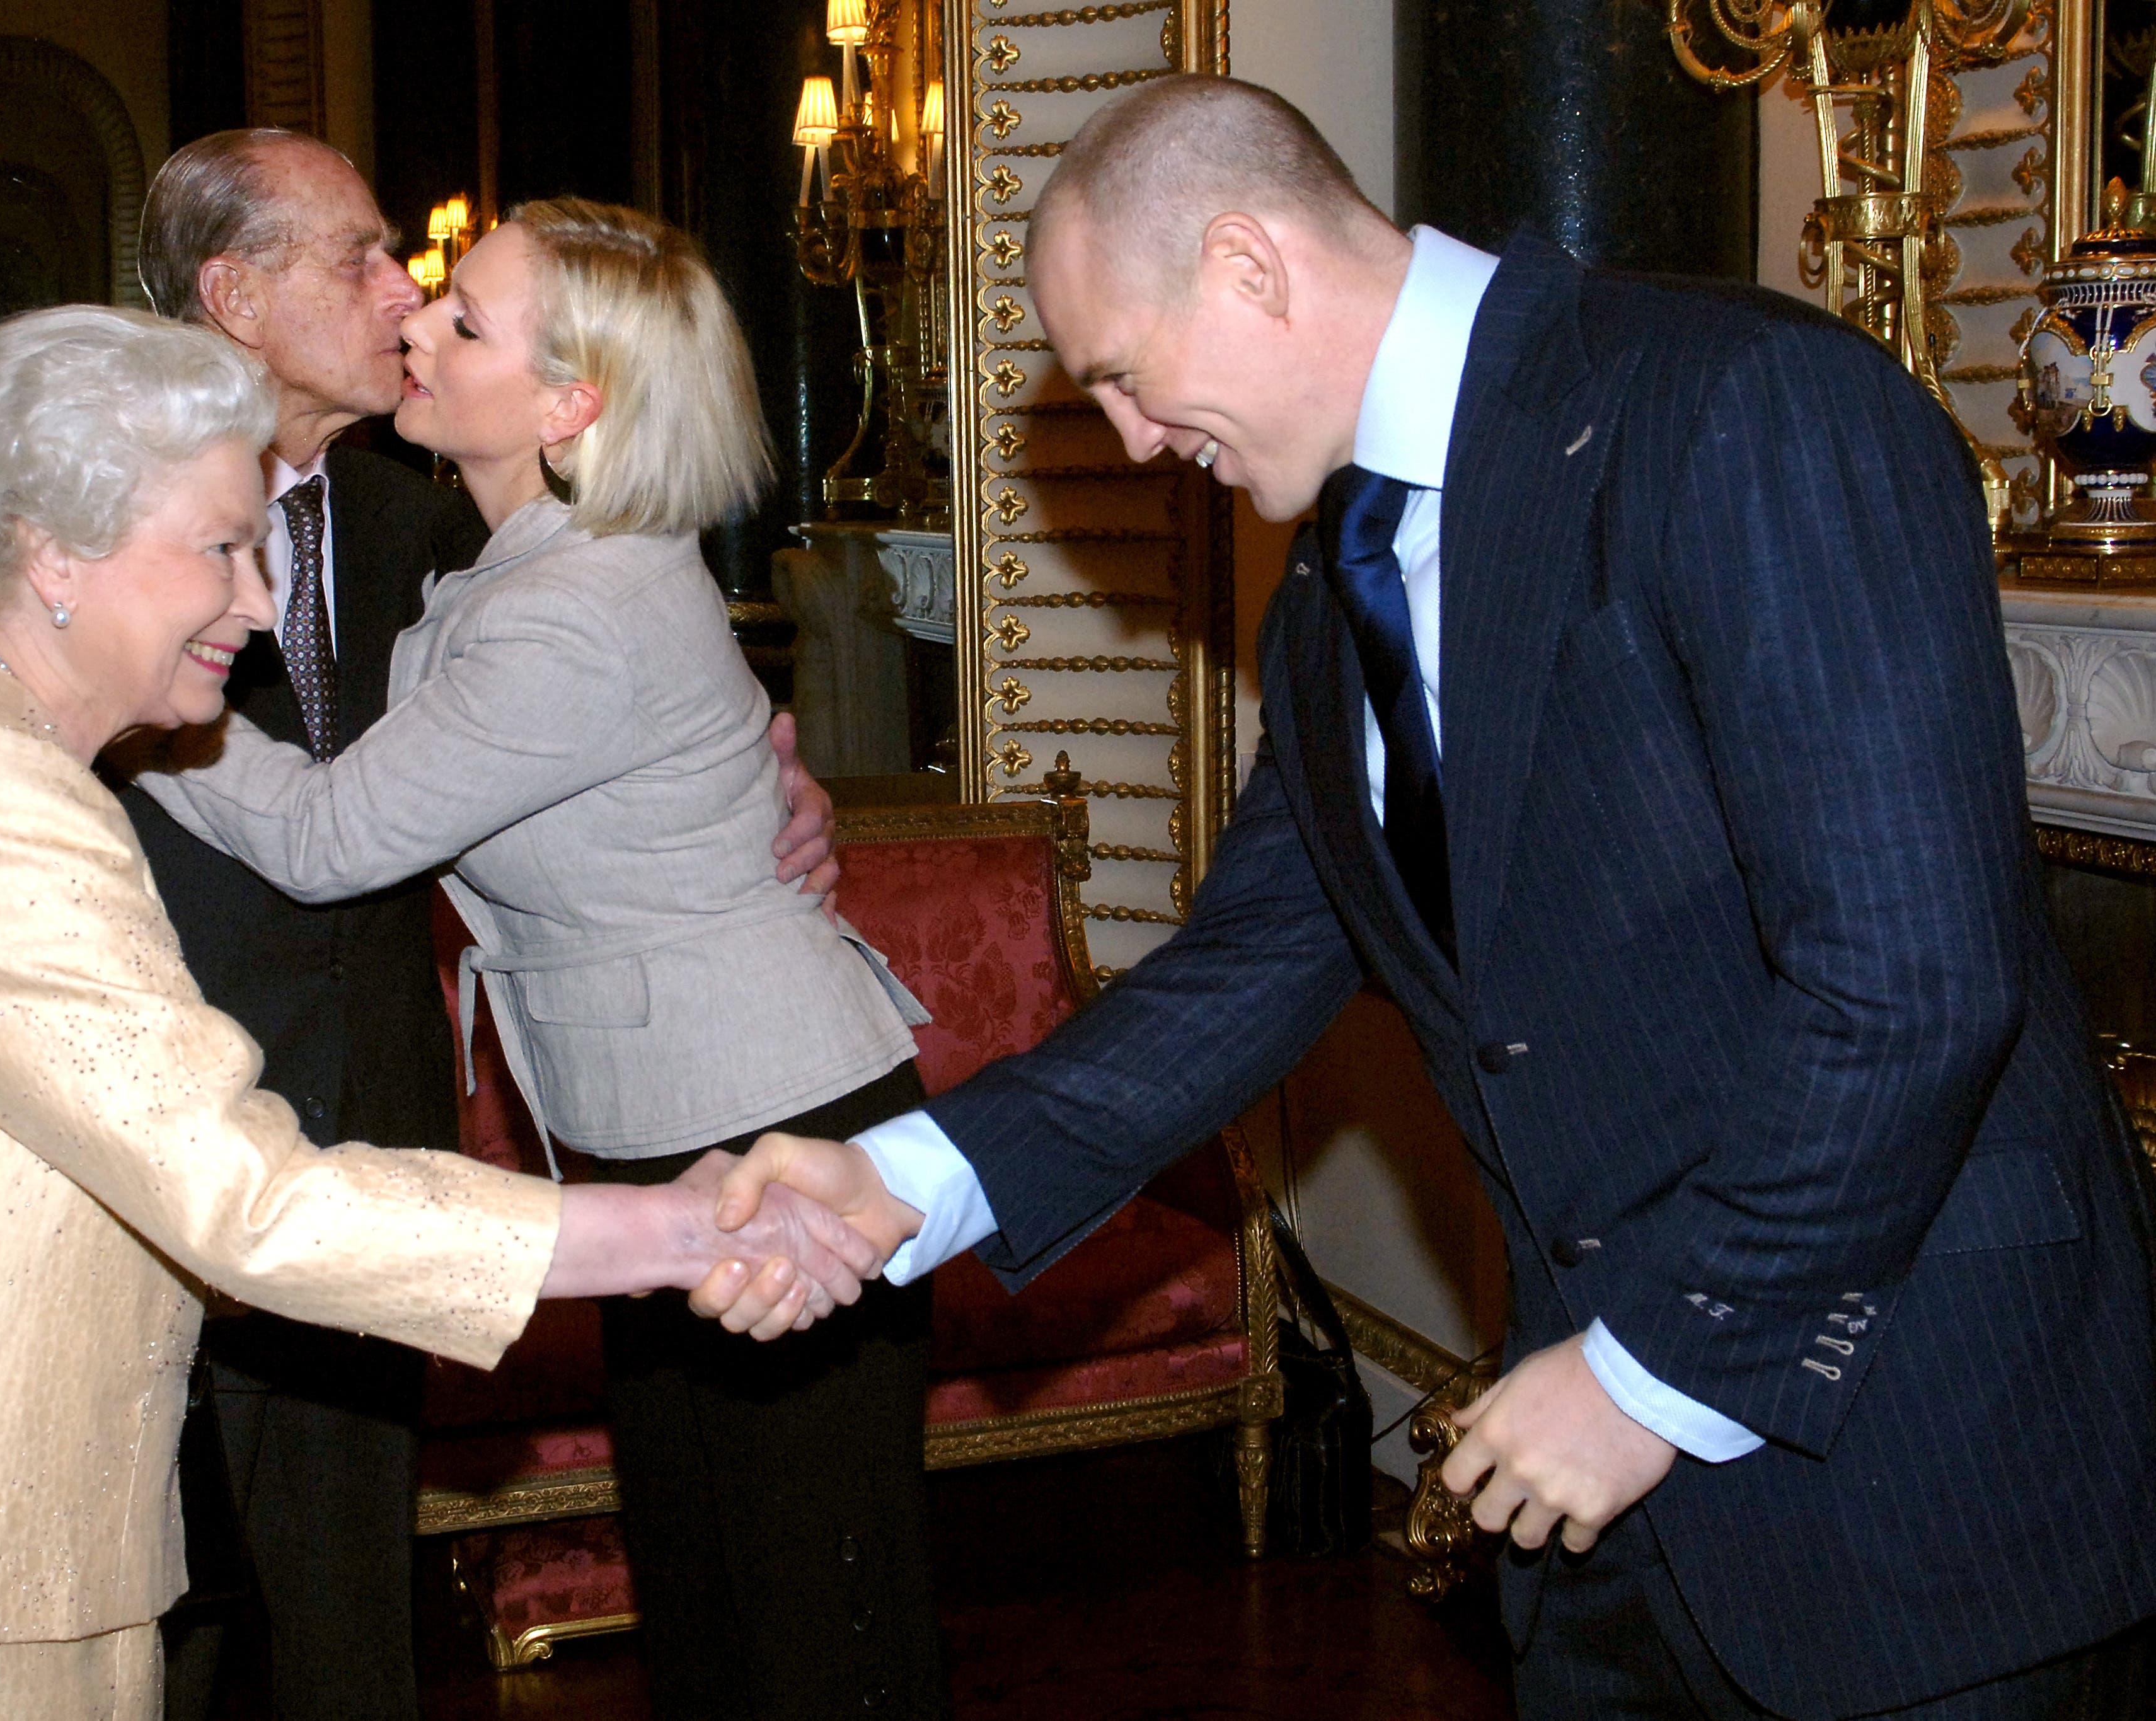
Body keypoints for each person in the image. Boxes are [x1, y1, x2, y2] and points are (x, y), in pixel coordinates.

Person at [722, 74, 2156, 1720]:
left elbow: (1918, 975)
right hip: (1603, 1512)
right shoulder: (1332, 600)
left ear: (1250, 264)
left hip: (1920, 1469)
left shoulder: (1745, 404)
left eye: (1120, 373)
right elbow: (1255, 958)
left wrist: (1652, 1374)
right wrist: (905, 1179)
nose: (1126, 439)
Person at [0, 305, 879, 1720]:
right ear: (52, 552)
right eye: (219, 548)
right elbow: (245, 1201)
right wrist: (682, 1225)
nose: (260, 604)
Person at [141, 199, 949, 1720]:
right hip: (655, 1139)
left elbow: (329, 838)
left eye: (465, 322)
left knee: (818, 1621)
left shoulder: (576, 603)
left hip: (770, 1130)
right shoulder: (506, 557)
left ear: (571, 405)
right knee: (711, 1597)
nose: (415, 326)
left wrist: (126, 693)